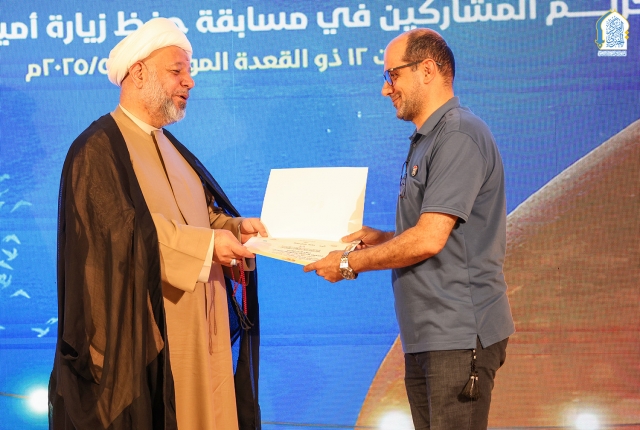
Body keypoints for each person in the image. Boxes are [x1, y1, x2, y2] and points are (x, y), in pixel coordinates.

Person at [49, 18, 264, 430]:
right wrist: (207, 247)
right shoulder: (97, 149)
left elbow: (199, 215)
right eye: (177, 70)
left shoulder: (172, 147)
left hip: (204, 331)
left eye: (189, 71)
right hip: (153, 339)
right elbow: (121, 235)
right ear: (138, 73)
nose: (190, 81)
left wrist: (235, 230)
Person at [304, 28, 515, 429]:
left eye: (393, 75)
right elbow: (439, 232)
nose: (386, 89)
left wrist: (348, 263)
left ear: (427, 70)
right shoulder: (428, 138)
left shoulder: (458, 134)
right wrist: (381, 238)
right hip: (429, 336)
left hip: (457, 335)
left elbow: (429, 239)